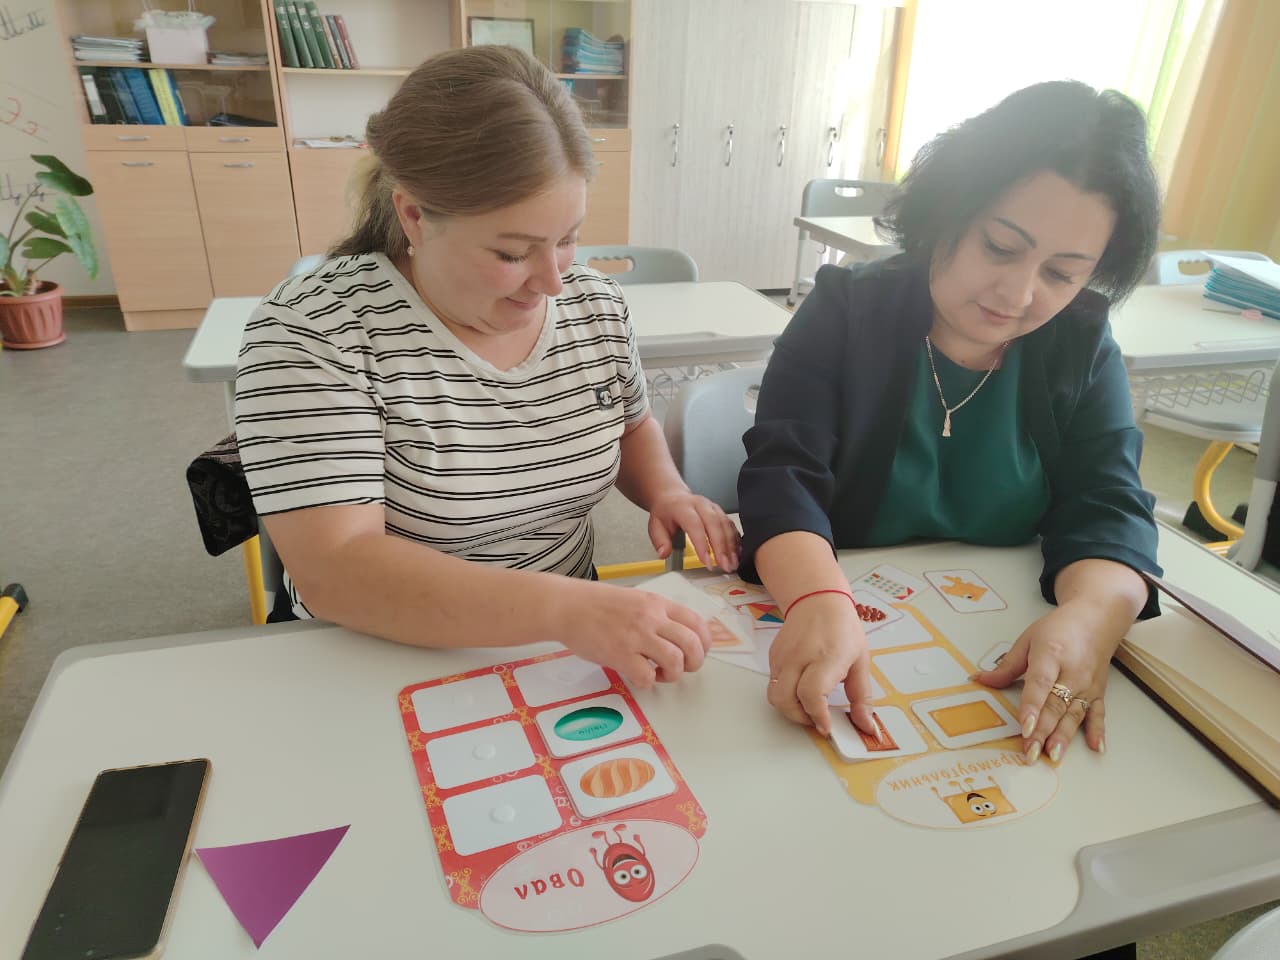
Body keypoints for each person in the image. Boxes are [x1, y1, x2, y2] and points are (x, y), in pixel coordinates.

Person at [234, 46, 740, 688]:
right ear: (414, 216)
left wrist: (667, 492)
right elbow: (337, 571)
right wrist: (562, 609)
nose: (553, 281)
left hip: (563, 645)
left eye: (567, 238)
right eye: (511, 254)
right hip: (376, 655)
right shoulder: (313, 332)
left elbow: (629, 424)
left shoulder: (595, 305)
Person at [738, 81, 1162, 769]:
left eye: (1062, 274)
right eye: (1000, 246)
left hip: (994, 637)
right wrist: (816, 597)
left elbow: (1110, 503)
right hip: (846, 623)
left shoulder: (1080, 342)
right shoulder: (847, 312)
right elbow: (782, 476)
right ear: (950, 209)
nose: (1018, 294)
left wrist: (1092, 619)